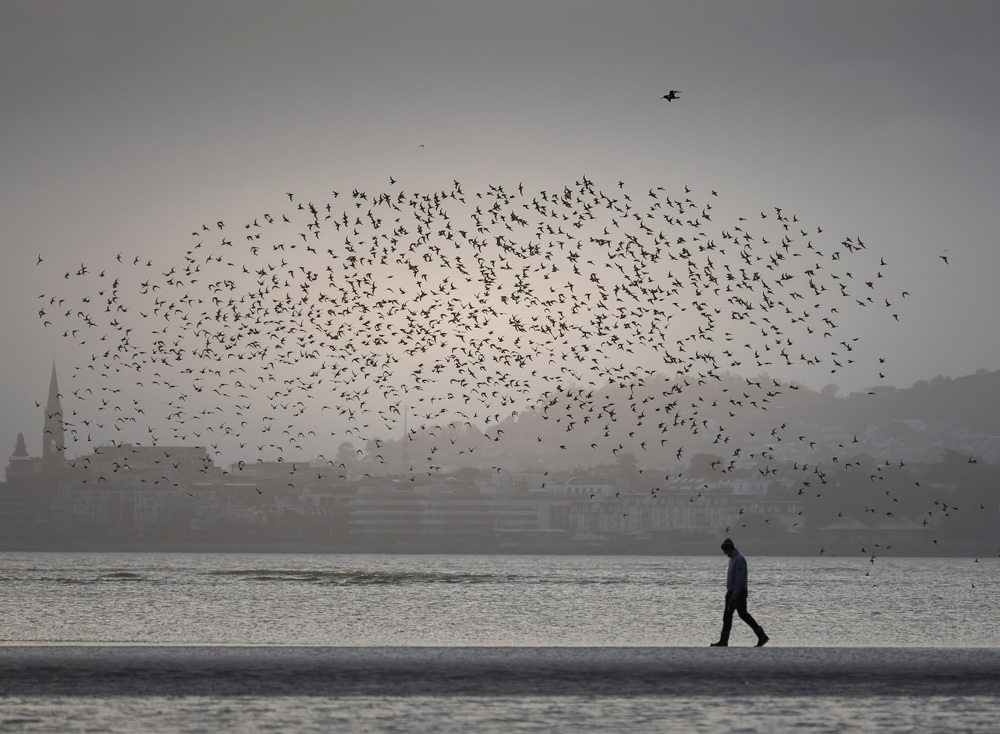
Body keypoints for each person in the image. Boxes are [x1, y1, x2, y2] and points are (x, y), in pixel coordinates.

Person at [710, 538, 769, 647]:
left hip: (738, 593)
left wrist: (734, 596)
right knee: (728, 616)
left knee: (742, 615)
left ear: (729, 549)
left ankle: (762, 636)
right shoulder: (732, 559)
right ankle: (724, 641)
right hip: (732, 592)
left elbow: (740, 580)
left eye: (725, 551)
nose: (724, 553)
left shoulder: (739, 560)